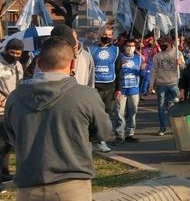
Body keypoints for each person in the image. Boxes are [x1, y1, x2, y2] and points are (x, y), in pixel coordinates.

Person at [4, 36, 112, 200]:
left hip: (28, 186)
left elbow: (11, 135)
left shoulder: (14, 98)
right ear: (72, 65)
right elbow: (103, 133)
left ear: (38, 63)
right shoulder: (86, 96)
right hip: (72, 186)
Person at [89, 26, 120, 153]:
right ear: (99, 34)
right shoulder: (91, 50)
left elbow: (118, 70)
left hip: (110, 86)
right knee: (93, 114)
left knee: (107, 114)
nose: (107, 37)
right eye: (104, 34)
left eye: (109, 35)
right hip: (95, 86)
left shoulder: (116, 50)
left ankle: (102, 140)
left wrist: (118, 89)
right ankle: (92, 139)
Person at [150, 35, 185, 136]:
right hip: (161, 84)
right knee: (161, 107)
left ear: (169, 43)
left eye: (163, 44)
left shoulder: (178, 53)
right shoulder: (157, 56)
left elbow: (183, 67)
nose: (161, 45)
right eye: (160, 44)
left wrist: (180, 64)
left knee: (175, 106)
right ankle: (163, 127)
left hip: (174, 83)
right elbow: (153, 71)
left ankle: (178, 127)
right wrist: (151, 84)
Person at [0, 38, 23, 186]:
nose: (14, 56)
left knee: (7, 143)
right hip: (0, 109)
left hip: (12, 108)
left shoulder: (18, 65)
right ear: (5, 51)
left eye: (18, 53)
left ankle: (4, 172)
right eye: (12, 53)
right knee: (1, 142)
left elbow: (20, 84)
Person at [112, 39, 141, 144]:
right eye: (128, 46)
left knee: (132, 112)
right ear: (124, 46)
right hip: (122, 89)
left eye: (133, 46)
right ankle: (119, 134)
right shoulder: (119, 58)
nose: (131, 48)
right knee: (119, 113)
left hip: (134, 89)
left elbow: (142, 72)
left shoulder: (138, 58)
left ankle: (130, 133)